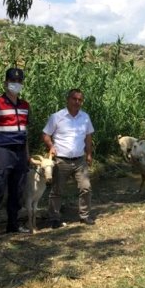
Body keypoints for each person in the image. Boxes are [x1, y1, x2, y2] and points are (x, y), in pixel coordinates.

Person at [0, 67, 30, 237]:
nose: (15, 84)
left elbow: (25, 132)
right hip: (2, 150)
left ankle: (13, 224)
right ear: (5, 83)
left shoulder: (25, 105)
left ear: (22, 83)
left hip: (20, 152)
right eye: (12, 81)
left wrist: (27, 154)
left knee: (18, 190)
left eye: (18, 81)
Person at [42, 89, 95, 228]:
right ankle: (54, 218)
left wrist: (89, 154)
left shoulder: (85, 117)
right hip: (61, 160)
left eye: (80, 100)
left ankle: (84, 216)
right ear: (68, 99)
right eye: (74, 99)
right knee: (57, 190)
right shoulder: (57, 117)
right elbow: (46, 134)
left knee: (86, 187)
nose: (77, 102)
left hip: (80, 160)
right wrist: (51, 146)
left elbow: (88, 137)